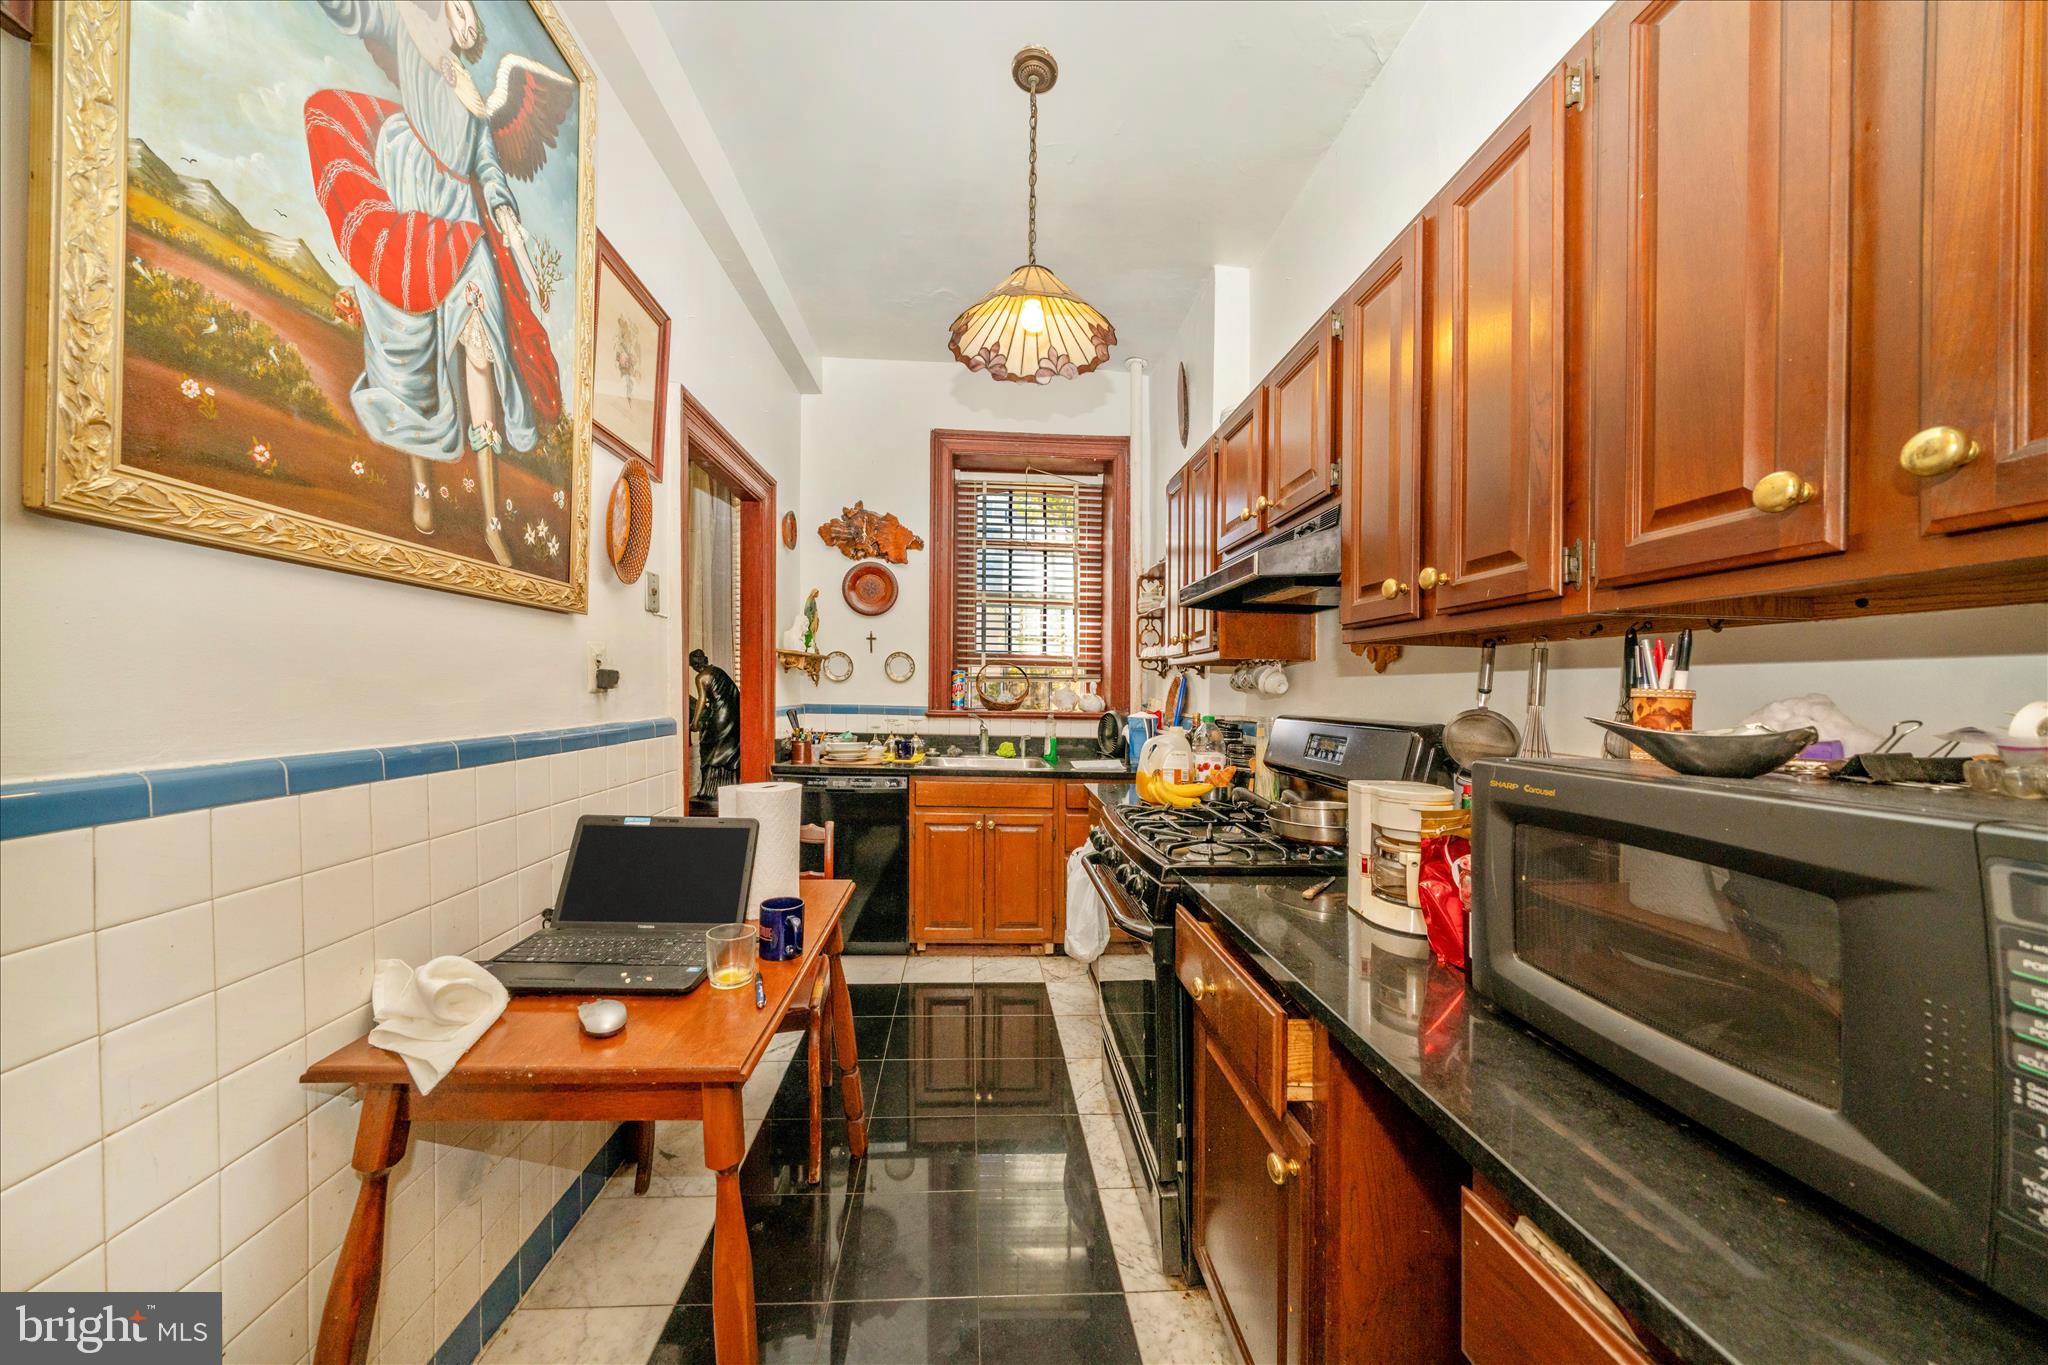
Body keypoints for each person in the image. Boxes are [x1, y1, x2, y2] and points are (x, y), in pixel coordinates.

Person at [309, 0, 575, 566]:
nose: (462, 16)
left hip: (462, 215)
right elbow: (358, 14)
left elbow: (489, 170)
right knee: (411, 345)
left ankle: (492, 520)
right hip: (410, 183)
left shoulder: (476, 100)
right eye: (455, 7)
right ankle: (422, 484)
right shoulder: (407, 36)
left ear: (470, 33)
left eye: (467, 13)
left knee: (481, 347)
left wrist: (513, 232)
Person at [690, 649, 741, 796]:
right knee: (729, 749)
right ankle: (730, 784)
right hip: (732, 715)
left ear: (695, 665)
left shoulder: (701, 677)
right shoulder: (718, 671)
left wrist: (694, 722)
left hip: (718, 716)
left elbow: (701, 700)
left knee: (710, 749)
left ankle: (710, 790)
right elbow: (735, 692)